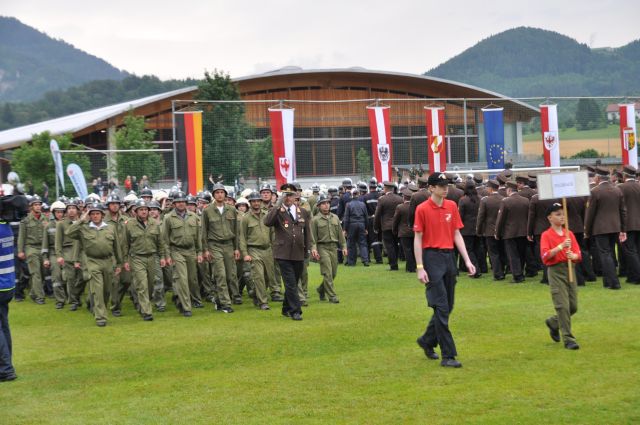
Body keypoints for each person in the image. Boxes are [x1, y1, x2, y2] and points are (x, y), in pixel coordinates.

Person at [414, 173, 476, 368]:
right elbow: (418, 238)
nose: (445, 189)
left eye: (446, 185)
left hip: (449, 257)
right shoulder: (422, 209)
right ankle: (448, 355)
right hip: (431, 258)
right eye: (441, 186)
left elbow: (456, 233)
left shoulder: (451, 206)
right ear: (431, 188)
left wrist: (467, 260)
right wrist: (420, 267)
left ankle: (427, 340)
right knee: (441, 307)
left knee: (448, 306)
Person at [66, 203, 123, 327]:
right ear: (89, 215)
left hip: (108, 261)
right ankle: (100, 317)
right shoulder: (84, 228)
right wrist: (81, 220)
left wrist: (119, 263)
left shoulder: (110, 228)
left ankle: (101, 309)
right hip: (92, 261)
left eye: (97, 213)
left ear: (102, 215)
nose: (95, 216)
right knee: (97, 289)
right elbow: (68, 232)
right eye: (92, 214)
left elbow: (117, 247)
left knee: (106, 290)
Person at [264, 183, 310, 321]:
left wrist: (307, 250)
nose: (288, 198)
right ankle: (296, 311)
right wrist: (277, 205)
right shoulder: (278, 211)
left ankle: (286, 308)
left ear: (295, 196)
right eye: (285, 195)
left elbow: (307, 233)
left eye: (290, 195)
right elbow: (267, 222)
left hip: (298, 252)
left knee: (294, 282)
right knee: (290, 283)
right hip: (283, 253)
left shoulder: (302, 211)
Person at [540, 203, 582, 350]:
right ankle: (568, 339)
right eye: (558, 214)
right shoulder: (546, 235)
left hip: (570, 269)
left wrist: (574, 256)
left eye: (563, 214)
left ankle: (553, 322)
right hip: (556, 271)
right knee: (562, 306)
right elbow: (545, 256)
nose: (562, 217)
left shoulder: (569, 234)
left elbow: (578, 254)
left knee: (573, 306)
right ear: (550, 218)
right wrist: (560, 247)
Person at [584, 167, 627, 290]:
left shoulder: (595, 191)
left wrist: (587, 230)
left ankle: (613, 282)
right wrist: (623, 229)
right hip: (615, 227)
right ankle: (607, 281)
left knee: (605, 254)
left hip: (600, 228)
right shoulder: (617, 190)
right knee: (610, 253)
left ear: (597, 178)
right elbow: (623, 211)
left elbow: (590, 214)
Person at [123, 200, 166, 321]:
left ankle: (142, 304)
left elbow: (160, 242)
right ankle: (147, 312)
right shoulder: (129, 224)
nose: (143, 212)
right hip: (137, 258)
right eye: (141, 209)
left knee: (150, 284)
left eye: (145, 209)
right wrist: (125, 260)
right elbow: (125, 244)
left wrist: (162, 257)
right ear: (136, 211)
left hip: (152, 257)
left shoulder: (154, 223)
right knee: (142, 284)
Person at [202, 183, 241, 311]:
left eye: (222, 192)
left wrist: (236, 248)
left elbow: (236, 230)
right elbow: (204, 231)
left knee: (231, 276)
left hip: (229, 245)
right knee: (221, 275)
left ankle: (219, 300)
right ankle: (226, 304)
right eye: (217, 192)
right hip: (214, 245)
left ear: (225, 194)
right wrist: (205, 250)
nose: (220, 195)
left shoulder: (232, 209)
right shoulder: (207, 210)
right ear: (213, 195)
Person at [163, 191, 203, 317]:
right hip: (177, 251)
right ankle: (187, 308)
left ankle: (180, 301)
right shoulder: (168, 218)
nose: (181, 204)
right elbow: (165, 239)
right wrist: (167, 256)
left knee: (192, 279)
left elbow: (198, 237)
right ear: (174, 204)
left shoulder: (193, 217)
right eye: (178, 202)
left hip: (191, 251)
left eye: (183, 202)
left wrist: (200, 252)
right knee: (182, 279)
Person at [238, 191, 275, 310]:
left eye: (258, 201)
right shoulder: (246, 218)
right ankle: (263, 302)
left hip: (268, 249)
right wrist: (245, 254)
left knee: (269, 277)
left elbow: (272, 233)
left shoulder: (267, 215)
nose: (256, 203)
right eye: (253, 201)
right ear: (250, 203)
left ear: (261, 202)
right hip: (254, 249)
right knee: (259, 277)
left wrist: (275, 248)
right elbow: (242, 237)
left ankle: (254, 293)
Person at [311, 194, 347, 303]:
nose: (326, 205)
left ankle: (321, 289)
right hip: (322, 247)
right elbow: (313, 237)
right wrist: (314, 249)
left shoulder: (335, 217)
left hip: (333, 248)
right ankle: (332, 296)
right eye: (323, 204)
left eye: (327, 203)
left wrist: (344, 246)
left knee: (333, 273)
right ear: (318, 206)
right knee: (327, 273)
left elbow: (340, 234)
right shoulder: (315, 220)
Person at [55, 199, 85, 311]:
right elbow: (58, 241)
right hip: (67, 253)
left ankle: (76, 296)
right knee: (70, 279)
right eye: (69, 208)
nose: (71, 210)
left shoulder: (82, 222)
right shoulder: (61, 224)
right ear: (66, 211)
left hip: (81, 253)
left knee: (83, 277)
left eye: (73, 208)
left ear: (77, 210)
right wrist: (59, 255)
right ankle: (74, 301)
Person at [17, 195, 47, 304]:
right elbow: (21, 237)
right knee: (36, 273)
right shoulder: (25, 220)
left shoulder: (45, 219)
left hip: (43, 248)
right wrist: (20, 251)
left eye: (39, 204)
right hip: (31, 248)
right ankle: (40, 297)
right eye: (36, 205)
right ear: (31, 207)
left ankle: (33, 293)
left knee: (43, 274)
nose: (38, 206)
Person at [0, 219, 17, 382]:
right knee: (4, 326)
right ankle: (7, 365)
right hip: (8, 285)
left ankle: (5, 369)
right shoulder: (6, 227)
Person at [42, 201, 67, 309]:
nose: (60, 214)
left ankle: (73, 299)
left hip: (67, 252)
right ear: (53, 213)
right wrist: (45, 258)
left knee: (68, 276)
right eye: (57, 212)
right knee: (56, 276)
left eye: (61, 212)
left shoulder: (68, 224)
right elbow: (45, 244)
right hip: (53, 253)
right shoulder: (48, 226)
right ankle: (60, 300)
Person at [374, 182, 403, 271]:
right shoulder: (400, 199)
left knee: (389, 246)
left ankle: (393, 265)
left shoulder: (382, 199)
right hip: (397, 226)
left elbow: (377, 214)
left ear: (386, 188)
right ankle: (395, 262)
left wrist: (376, 226)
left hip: (386, 226)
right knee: (396, 245)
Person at [342, 188, 369, 266]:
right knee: (363, 243)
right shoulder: (363, 204)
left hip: (352, 225)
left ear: (351, 195)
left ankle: (351, 262)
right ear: (358, 194)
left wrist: (345, 229)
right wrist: (366, 228)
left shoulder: (348, 204)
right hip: (361, 224)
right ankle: (365, 261)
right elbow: (366, 217)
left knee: (351, 243)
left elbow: (346, 218)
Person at [392, 188, 415, 272]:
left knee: (407, 250)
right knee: (413, 250)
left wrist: (394, 230)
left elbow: (395, 220)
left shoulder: (400, 207)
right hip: (414, 231)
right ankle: (414, 266)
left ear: (404, 197)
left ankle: (410, 268)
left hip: (404, 232)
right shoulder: (415, 207)